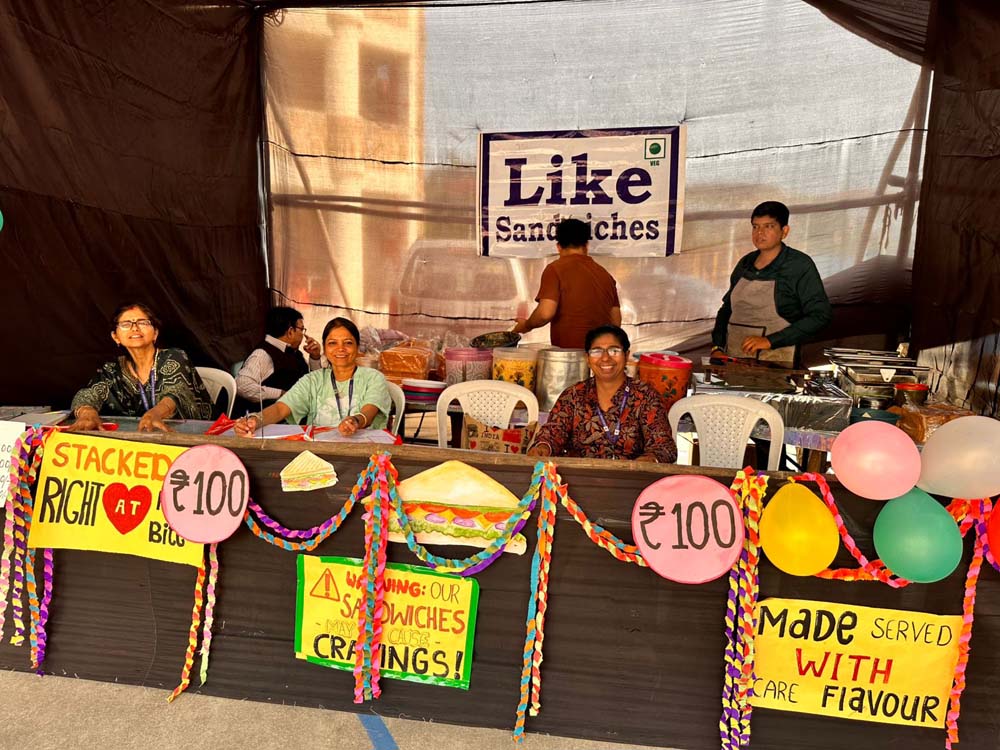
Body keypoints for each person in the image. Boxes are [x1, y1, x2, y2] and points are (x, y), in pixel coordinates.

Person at [527, 325, 677, 463]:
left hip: (632, 479)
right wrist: (543, 447)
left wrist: (650, 459)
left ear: (626, 355)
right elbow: (552, 434)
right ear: (587, 358)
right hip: (579, 478)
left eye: (614, 351)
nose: (605, 358)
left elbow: (664, 446)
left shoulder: (646, 396)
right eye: (597, 351)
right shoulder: (574, 395)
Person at [711, 201, 832, 365]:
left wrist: (770, 341)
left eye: (768, 226)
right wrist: (717, 346)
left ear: (784, 231)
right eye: (755, 227)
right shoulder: (745, 263)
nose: (759, 233)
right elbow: (727, 309)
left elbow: (820, 316)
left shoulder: (799, 265)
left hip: (777, 365)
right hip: (733, 362)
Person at [233, 317, 391, 437]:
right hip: (318, 451)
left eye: (348, 343)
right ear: (325, 348)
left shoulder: (373, 378)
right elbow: (281, 409)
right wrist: (255, 420)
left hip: (365, 453)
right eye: (333, 343)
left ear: (357, 347)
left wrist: (355, 421)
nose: (340, 349)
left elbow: (369, 411)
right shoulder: (312, 380)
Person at [69, 303, 212, 432]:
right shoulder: (112, 370)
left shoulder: (174, 357)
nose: (135, 328)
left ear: (155, 333)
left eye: (142, 322)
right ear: (115, 337)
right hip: (137, 443)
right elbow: (87, 395)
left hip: (190, 437)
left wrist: (155, 413)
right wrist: (87, 413)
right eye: (126, 324)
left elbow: (176, 393)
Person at [511, 218, 621, 350]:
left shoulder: (555, 269)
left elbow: (545, 313)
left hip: (569, 355)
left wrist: (526, 325)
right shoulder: (605, 275)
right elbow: (616, 322)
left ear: (558, 247)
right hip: (600, 354)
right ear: (586, 245)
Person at [233, 306, 322, 415]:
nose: (303, 335)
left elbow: (314, 383)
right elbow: (242, 385)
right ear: (290, 331)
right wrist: (281, 394)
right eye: (302, 329)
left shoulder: (292, 352)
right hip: (269, 419)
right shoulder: (262, 354)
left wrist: (315, 357)